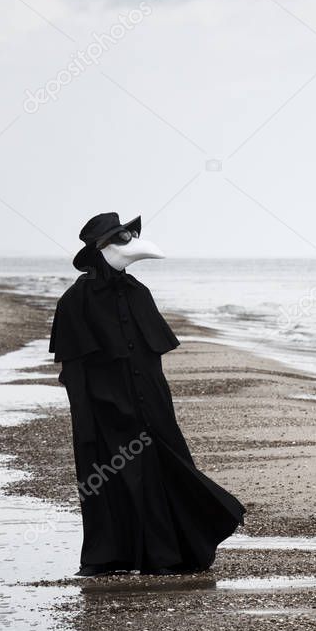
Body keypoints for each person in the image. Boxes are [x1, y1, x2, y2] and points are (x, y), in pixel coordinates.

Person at [49, 212, 245, 576]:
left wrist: (159, 407)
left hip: (151, 406)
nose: (129, 242)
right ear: (99, 249)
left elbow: (152, 359)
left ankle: (169, 554)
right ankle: (109, 557)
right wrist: (87, 422)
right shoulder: (74, 302)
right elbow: (73, 371)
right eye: (119, 238)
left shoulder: (138, 292)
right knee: (108, 479)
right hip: (103, 410)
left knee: (164, 472)